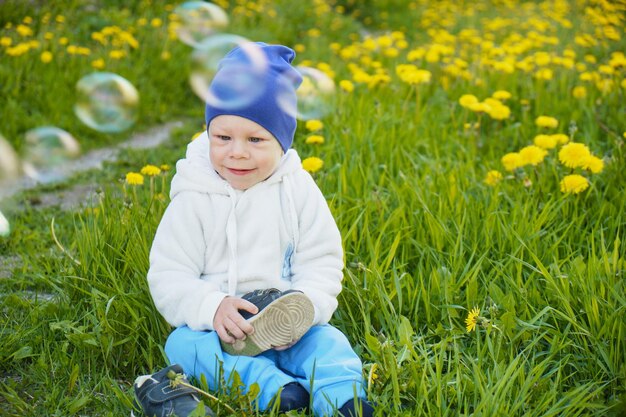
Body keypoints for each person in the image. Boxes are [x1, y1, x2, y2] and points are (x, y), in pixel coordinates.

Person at [132, 42, 374, 417]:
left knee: (328, 342)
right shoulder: (194, 196)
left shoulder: (297, 189)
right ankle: (274, 388)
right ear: (208, 134)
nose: (237, 153)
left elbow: (322, 260)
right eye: (223, 137)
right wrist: (210, 307)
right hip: (217, 330)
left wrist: (305, 308)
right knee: (182, 345)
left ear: (282, 141)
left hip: (285, 322)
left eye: (256, 140)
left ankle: (341, 396)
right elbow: (169, 274)